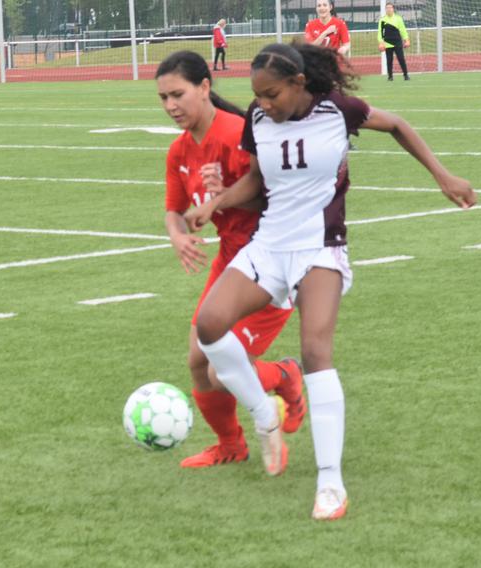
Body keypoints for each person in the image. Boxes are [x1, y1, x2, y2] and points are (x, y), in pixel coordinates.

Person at [186, 42, 475, 520]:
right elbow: (258, 181)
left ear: (298, 83)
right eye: (257, 96)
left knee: (316, 353)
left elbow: (399, 124)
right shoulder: (259, 123)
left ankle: (330, 484)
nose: (263, 105)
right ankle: (263, 413)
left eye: (271, 94)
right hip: (270, 244)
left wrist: (443, 176)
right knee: (210, 326)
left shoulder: (338, 111)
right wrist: (215, 204)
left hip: (320, 246)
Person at [155, 51, 307, 470]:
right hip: (230, 260)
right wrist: (177, 235)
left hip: (270, 263)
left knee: (224, 372)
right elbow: (174, 208)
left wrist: (224, 193)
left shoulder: (241, 134)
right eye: (163, 98)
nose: (170, 106)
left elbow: (276, 197)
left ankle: (285, 376)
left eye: (178, 94)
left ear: (205, 87)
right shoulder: (181, 150)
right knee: (197, 363)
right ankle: (230, 444)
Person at [377, 2, 410, 81]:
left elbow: (403, 30)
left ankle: (406, 75)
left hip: (397, 42)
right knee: (389, 60)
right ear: (385, 9)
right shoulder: (382, 20)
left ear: (393, 9)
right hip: (387, 43)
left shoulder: (398, 18)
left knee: (401, 58)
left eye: (390, 7)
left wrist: (406, 40)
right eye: (387, 8)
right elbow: (380, 32)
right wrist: (381, 42)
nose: (388, 9)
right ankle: (390, 76)